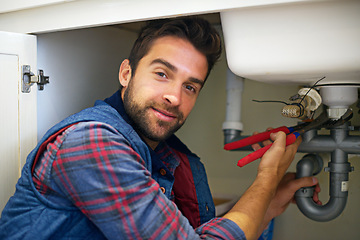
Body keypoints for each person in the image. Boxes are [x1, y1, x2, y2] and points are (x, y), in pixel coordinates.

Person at [0, 17, 321, 240]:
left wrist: (269, 200)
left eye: (191, 86)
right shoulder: (92, 143)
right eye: (162, 74)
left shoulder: (167, 155)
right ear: (126, 73)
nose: (174, 96)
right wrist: (266, 179)